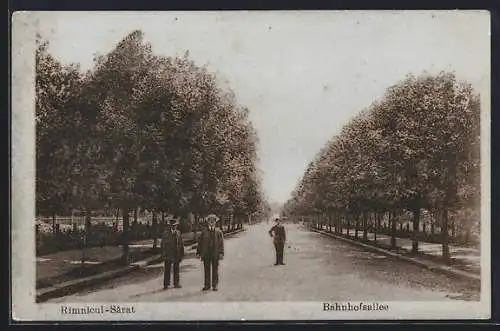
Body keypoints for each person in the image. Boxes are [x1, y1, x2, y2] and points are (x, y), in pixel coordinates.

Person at [196, 214, 224, 291]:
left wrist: (221, 253)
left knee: (215, 270)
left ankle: (215, 285)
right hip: (206, 253)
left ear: (215, 222)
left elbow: (221, 243)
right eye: (210, 220)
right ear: (207, 222)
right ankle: (207, 285)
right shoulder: (204, 232)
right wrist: (198, 253)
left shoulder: (219, 232)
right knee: (206, 270)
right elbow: (200, 243)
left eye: (213, 220)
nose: (212, 222)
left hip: (215, 253)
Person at [161, 218, 185, 290]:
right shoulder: (166, 233)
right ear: (170, 226)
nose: (174, 227)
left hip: (176, 253)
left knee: (176, 269)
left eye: (175, 225)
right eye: (172, 225)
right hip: (168, 254)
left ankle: (176, 283)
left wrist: (182, 253)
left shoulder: (178, 233)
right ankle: (166, 284)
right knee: (167, 269)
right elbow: (163, 245)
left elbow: (181, 244)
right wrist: (164, 254)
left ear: (177, 226)